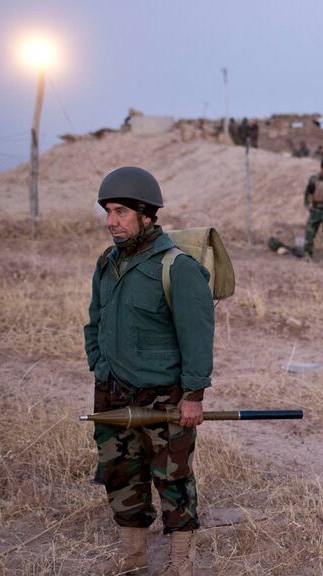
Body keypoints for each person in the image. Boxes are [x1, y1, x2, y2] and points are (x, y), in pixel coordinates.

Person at [85, 167, 213, 575]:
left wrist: (193, 396)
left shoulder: (177, 267)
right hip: (112, 395)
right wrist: (98, 366)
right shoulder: (107, 263)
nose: (111, 221)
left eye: (120, 211)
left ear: (146, 213)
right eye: (108, 212)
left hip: (165, 399)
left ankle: (180, 563)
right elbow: (94, 322)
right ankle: (132, 557)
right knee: (121, 477)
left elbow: (197, 336)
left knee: (173, 481)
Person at [303, 158, 323, 260]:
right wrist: (307, 204)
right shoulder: (313, 179)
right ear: (321, 169)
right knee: (310, 232)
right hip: (316, 209)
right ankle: (308, 254)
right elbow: (308, 192)